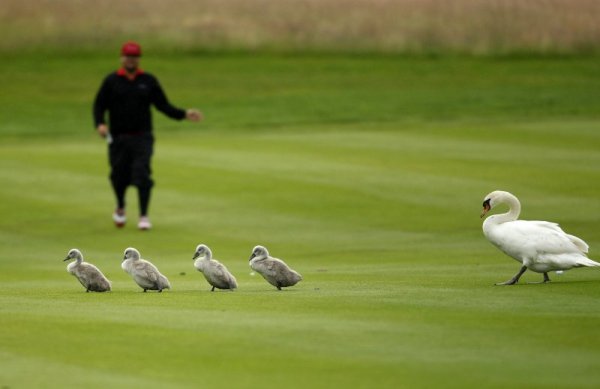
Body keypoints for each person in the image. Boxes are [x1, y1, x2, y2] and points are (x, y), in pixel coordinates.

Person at [93, 41, 202, 230]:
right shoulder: (111, 81)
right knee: (118, 176)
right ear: (122, 58)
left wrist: (184, 114)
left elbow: (163, 105)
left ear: (138, 59)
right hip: (118, 137)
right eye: (128, 56)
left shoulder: (148, 81)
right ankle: (120, 206)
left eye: (134, 57)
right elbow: (99, 106)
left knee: (142, 173)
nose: (131, 60)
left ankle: (143, 215)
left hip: (142, 136)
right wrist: (100, 124)